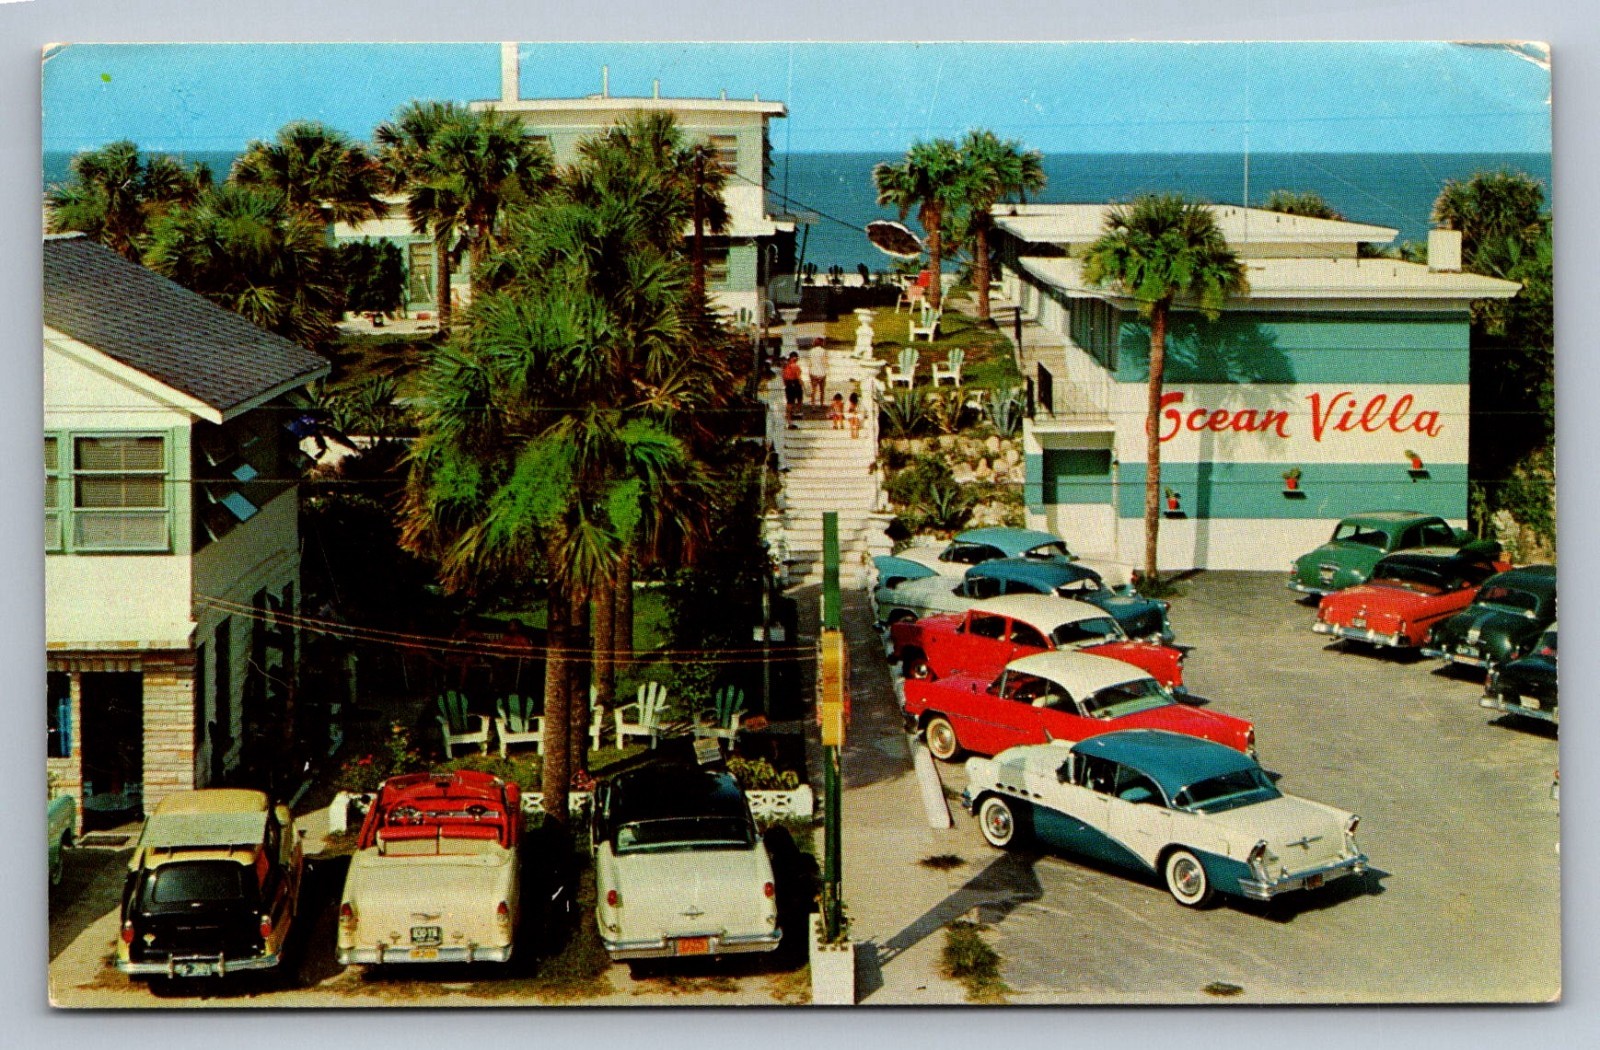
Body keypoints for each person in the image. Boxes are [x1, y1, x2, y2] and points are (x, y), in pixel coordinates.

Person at [782, 352, 803, 427]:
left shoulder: (785, 366)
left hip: (788, 384)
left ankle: (789, 418)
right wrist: (802, 384)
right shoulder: (795, 366)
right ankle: (795, 413)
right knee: (798, 400)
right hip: (795, 383)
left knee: (789, 402)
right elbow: (798, 377)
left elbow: (783, 376)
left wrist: (785, 384)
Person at [808, 336, 829, 405]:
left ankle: (813, 405)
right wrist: (826, 371)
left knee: (813, 390)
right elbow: (825, 362)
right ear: (822, 343)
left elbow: (810, 363)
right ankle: (821, 404)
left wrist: (810, 371)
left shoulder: (811, 351)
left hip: (813, 372)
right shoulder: (824, 351)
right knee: (822, 390)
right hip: (821, 372)